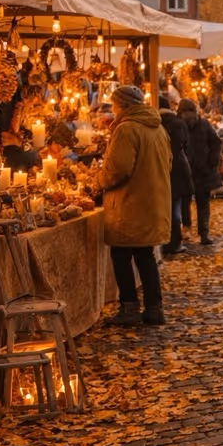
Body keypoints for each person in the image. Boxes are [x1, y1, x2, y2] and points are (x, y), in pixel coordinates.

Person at [98, 85, 172, 325]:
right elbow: (168, 161)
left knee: (121, 255)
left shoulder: (127, 129)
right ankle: (154, 308)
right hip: (152, 201)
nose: (113, 109)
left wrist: (97, 180)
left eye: (115, 104)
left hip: (130, 204)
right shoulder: (158, 127)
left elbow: (118, 169)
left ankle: (129, 308)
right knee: (145, 256)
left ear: (124, 105)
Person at [178, 98, 221, 246]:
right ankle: (203, 234)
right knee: (202, 204)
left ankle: (187, 229)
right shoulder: (202, 123)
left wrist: (212, 161)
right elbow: (216, 142)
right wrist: (212, 161)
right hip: (201, 169)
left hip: (188, 170)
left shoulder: (180, 124)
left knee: (185, 201)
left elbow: (215, 142)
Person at [158, 96, 194, 256]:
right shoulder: (178, 123)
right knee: (175, 207)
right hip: (178, 169)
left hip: (161, 168)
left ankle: (165, 242)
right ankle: (174, 242)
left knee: (166, 207)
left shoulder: (156, 124)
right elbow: (186, 145)